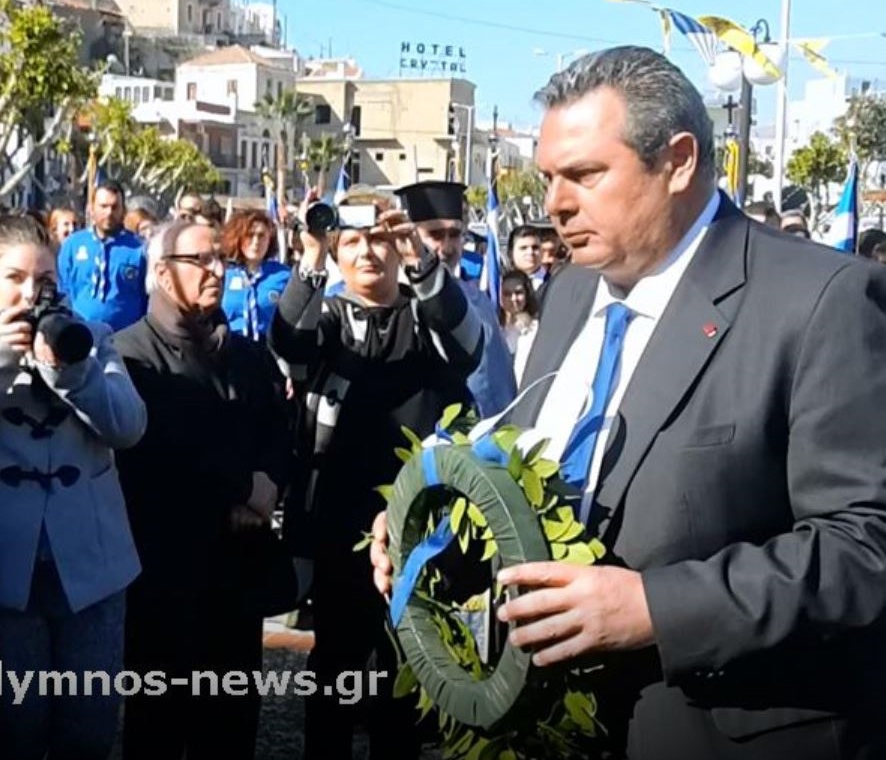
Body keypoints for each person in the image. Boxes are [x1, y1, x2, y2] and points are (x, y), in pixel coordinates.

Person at [370, 45, 886, 759]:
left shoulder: (821, 300)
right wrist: (436, 532)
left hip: (721, 731)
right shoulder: (574, 290)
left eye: (584, 174)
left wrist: (655, 608)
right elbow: (540, 484)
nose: (554, 203)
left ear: (676, 162)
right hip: (553, 728)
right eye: (550, 177)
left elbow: (865, 546)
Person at [0, 213, 146, 760]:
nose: (29, 292)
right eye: (14, 278)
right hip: (3, 573)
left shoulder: (93, 340)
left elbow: (129, 426)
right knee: (14, 730)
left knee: (88, 732)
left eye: (43, 280)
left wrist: (74, 372)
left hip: (90, 568)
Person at [270, 194, 485, 760]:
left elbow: (468, 349)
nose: (368, 252)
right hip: (338, 521)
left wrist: (419, 256)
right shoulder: (331, 319)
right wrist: (311, 255)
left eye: (381, 239)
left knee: (407, 664)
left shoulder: (425, 318)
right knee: (336, 663)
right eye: (353, 242)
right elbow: (290, 343)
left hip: (418, 520)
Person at [115, 219, 294, 759]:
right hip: (165, 570)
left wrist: (269, 486)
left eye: (220, 257)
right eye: (201, 260)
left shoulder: (245, 355)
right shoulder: (129, 356)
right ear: (164, 274)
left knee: (233, 720)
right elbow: (167, 445)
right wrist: (245, 487)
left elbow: (280, 429)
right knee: (161, 722)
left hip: (237, 570)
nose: (217, 269)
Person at [399, 181, 518, 416]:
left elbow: (495, 383)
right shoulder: (391, 300)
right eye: (434, 235)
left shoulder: (477, 298)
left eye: (454, 235)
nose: (446, 247)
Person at [58, 181, 147, 331]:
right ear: (91, 209)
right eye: (103, 206)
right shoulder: (73, 245)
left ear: (123, 210)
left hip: (124, 337)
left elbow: (147, 296)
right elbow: (63, 289)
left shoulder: (139, 249)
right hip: (79, 334)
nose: (109, 213)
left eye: (114, 207)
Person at [220, 209, 292, 342]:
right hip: (229, 349)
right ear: (238, 238)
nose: (256, 242)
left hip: (268, 351)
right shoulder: (223, 274)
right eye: (250, 235)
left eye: (261, 236)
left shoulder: (284, 275)